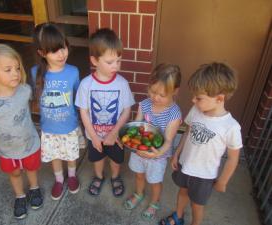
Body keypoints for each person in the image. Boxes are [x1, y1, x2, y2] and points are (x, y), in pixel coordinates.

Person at [159, 62, 243, 225]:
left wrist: (223, 181)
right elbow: (187, 132)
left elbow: (233, 158)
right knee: (182, 192)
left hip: (204, 175)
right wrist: (177, 153)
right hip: (185, 165)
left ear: (219, 98)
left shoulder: (231, 127)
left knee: (197, 204)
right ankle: (178, 215)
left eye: (199, 98)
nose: (193, 100)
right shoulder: (196, 110)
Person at [0, 43, 43, 219]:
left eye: (17, 68)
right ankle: (20, 195)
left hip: (30, 143)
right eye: (8, 69)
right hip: (7, 150)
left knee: (31, 168)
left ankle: (34, 188)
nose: (16, 73)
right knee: (15, 173)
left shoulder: (25, 90)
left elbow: (29, 107)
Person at [75, 28, 135, 197]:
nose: (115, 66)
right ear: (94, 60)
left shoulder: (122, 83)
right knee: (97, 159)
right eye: (110, 62)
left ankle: (115, 177)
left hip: (115, 136)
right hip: (95, 135)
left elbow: (126, 110)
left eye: (118, 60)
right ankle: (99, 176)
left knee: (116, 160)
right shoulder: (86, 85)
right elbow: (84, 112)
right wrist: (94, 136)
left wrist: (114, 133)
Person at [31, 22, 84, 200]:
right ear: (41, 53)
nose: (62, 54)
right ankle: (59, 180)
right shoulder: (35, 72)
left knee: (70, 155)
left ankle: (72, 175)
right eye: (54, 50)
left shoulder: (73, 71)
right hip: (49, 128)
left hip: (69, 125)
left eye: (63, 47)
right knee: (55, 156)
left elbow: (78, 97)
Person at [123, 63, 182, 220]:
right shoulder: (145, 104)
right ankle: (139, 193)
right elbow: (136, 126)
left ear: (175, 91)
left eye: (162, 95)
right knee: (139, 176)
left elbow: (168, 140)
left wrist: (156, 154)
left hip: (157, 156)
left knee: (155, 181)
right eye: (152, 91)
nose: (155, 97)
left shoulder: (174, 114)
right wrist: (129, 140)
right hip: (139, 151)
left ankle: (154, 202)